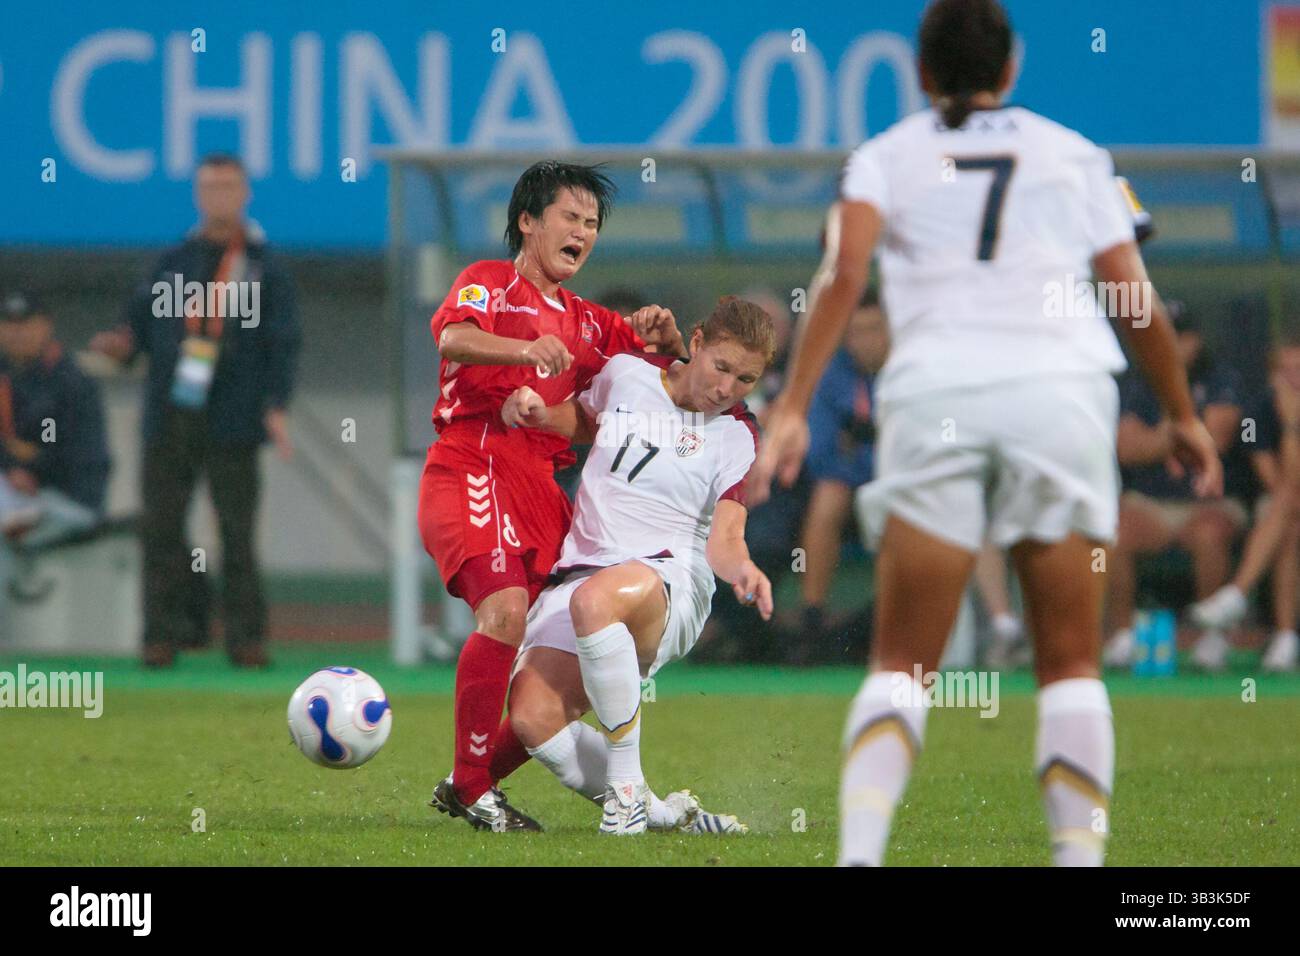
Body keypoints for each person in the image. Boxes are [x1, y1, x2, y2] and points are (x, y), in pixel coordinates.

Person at [750, 0, 1221, 867]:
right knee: (1071, 663)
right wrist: (1182, 414)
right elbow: (1131, 296)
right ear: (1011, 69)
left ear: (922, 73)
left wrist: (788, 407)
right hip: (1062, 393)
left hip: (935, 395)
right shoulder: (1073, 154)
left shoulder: (883, 158)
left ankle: (859, 858)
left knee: (901, 661)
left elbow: (843, 273)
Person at [420, 161, 686, 832]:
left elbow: (663, 374)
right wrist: (522, 350)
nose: (583, 231)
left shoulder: (591, 324)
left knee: (560, 673)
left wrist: (666, 337)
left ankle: (467, 781)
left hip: (543, 494)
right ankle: (476, 787)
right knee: (505, 610)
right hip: (472, 463)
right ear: (528, 222)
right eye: (570, 216)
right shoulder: (487, 282)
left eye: (593, 223)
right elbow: (451, 336)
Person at [497, 296, 774, 833]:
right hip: (581, 571)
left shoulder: (736, 433)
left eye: (746, 379)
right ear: (695, 344)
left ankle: (625, 799)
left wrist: (742, 568)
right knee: (534, 719)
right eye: (721, 367)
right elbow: (585, 417)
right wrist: (539, 416)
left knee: (596, 602)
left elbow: (727, 535)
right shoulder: (628, 374)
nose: (726, 389)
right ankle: (664, 812)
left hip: (670, 579)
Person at [90, 153, 300, 669]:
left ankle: (247, 640)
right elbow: (137, 326)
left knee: (237, 531)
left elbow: (284, 341)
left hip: (235, 415)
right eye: (210, 187)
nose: (219, 197)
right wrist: (121, 344)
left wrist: (276, 405)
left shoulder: (265, 266)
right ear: (198, 194)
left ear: (245, 192)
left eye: (229, 187)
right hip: (170, 414)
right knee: (161, 527)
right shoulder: (172, 261)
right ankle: (161, 635)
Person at [1102, 303, 1247, 671]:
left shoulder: (1220, 378)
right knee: (1111, 532)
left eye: (1179, 336)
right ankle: (1121, 636)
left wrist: (1161, 436)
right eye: (1165, 334)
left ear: (1194, 340)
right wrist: (1183, 433)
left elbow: (1218, 438)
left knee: (1210, 535)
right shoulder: (1138, 383)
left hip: (1207, 503)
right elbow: (1127, 448)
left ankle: (1212, 640)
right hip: (1151, 504)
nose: (1172, 344)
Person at [1188, 334, 1300, 671]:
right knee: (1287, 516)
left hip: (1285, 505)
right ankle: (1285, 637)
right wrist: (1290, 421)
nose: (1294, 378)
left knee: (1283, 509)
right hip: (1287, 508)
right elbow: (1281, 483)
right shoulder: (1257, 413)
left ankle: (1237, 594)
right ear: (1272, 376)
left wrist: (1292, 422)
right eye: (1286, 371)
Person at [790, 288, 888, 665]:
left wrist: (862, 440)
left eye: (874, 329)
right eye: (855, 331)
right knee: (830, 491)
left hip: (900, 487)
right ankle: (813, 617)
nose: (864, 341)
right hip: (847, 484)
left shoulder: (910, 373)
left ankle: (891, 621)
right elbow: (821, 452)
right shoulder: (832, 373)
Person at [0, 293, 109, 546]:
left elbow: (77, 457)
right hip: (15, 498)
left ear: (46, 326)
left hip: (68, 500)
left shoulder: (70, 383)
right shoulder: (6, 376)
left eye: (26, 323)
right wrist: (12, 468)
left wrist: (30, 469)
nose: (17, 332)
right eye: (9, 323)